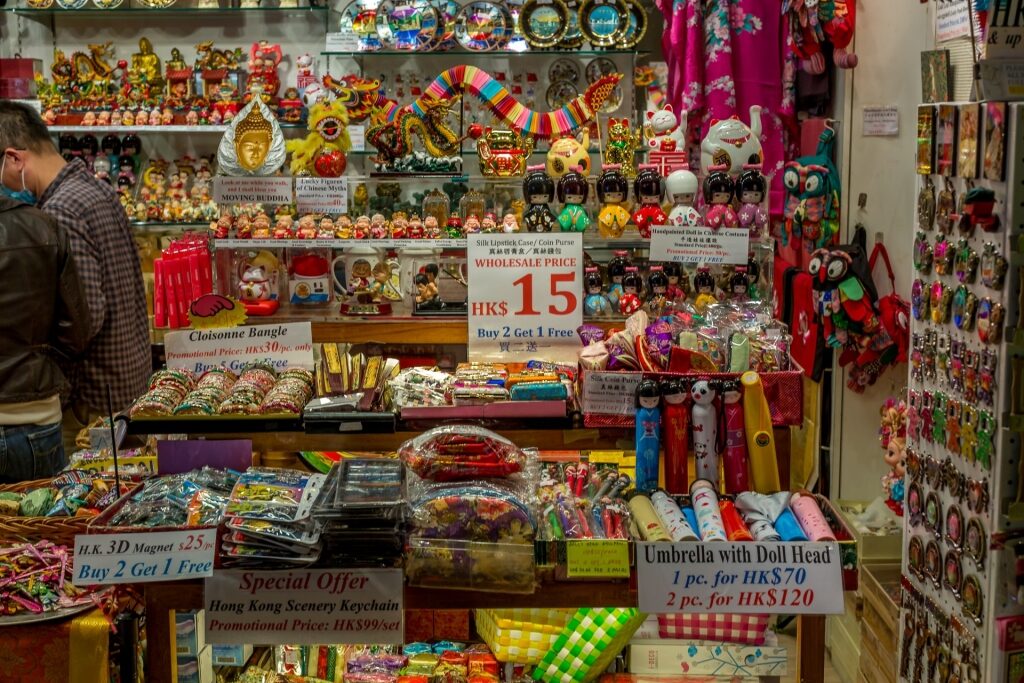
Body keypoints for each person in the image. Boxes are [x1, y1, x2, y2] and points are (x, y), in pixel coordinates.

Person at [0, 101, 151, 450]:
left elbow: (85, 318)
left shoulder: (60, 211)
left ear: (14, 158)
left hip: (92, 402)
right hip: (126, 382)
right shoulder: (96, 189)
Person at [0, 196, 91, 480]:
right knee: (41, 508)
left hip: (34, 414)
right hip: (35, 418)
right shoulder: (42, 226)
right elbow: (75, 334)